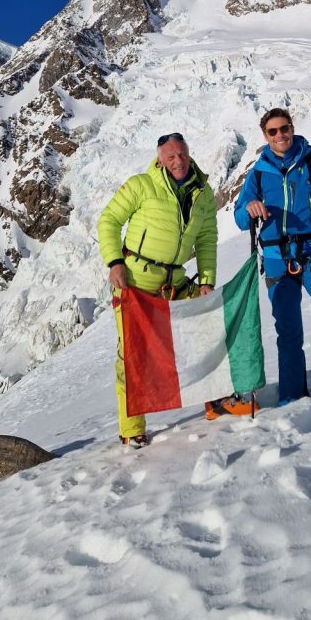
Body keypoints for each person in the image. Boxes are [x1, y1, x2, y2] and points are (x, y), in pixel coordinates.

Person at [98, 133, 254, 448]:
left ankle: (218, 399)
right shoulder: (142, 185)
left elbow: (207, 237)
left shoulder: (202, 191)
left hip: (175, 281)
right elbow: (109, 221)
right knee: (132, 354)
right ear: (160, 159)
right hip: (136, 280)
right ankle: (132, 429)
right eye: (170, 156)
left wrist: (207, 278)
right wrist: (114, 263)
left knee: (209, 328)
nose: (178, 161)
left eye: (181, 154)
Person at [234, 109, 311, 423]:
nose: (280, 135)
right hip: (275, 258)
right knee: (288, 331)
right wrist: (249, 207)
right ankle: (291, 395)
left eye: (284, 129)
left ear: (292, 128)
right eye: (272, 132)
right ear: (265, 135)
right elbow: (239, 218)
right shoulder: (258, 173)